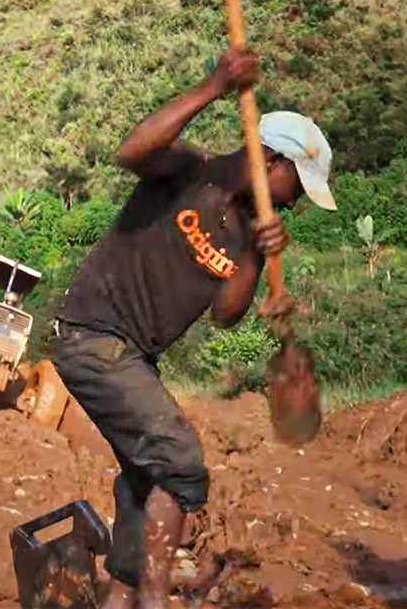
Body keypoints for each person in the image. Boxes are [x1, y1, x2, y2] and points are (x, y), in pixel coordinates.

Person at [50, 45, 337, 609]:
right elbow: (130, 150)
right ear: (270, 162)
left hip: (134, 357)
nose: (297, 203)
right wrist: (212, 87)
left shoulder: (243, 229)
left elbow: (226, 315)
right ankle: (154, 600)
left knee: (144, 479)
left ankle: (119, 593)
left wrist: (255, 249)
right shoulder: (188, 171)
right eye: (297, 188)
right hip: (92, 335)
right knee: (181, 463)